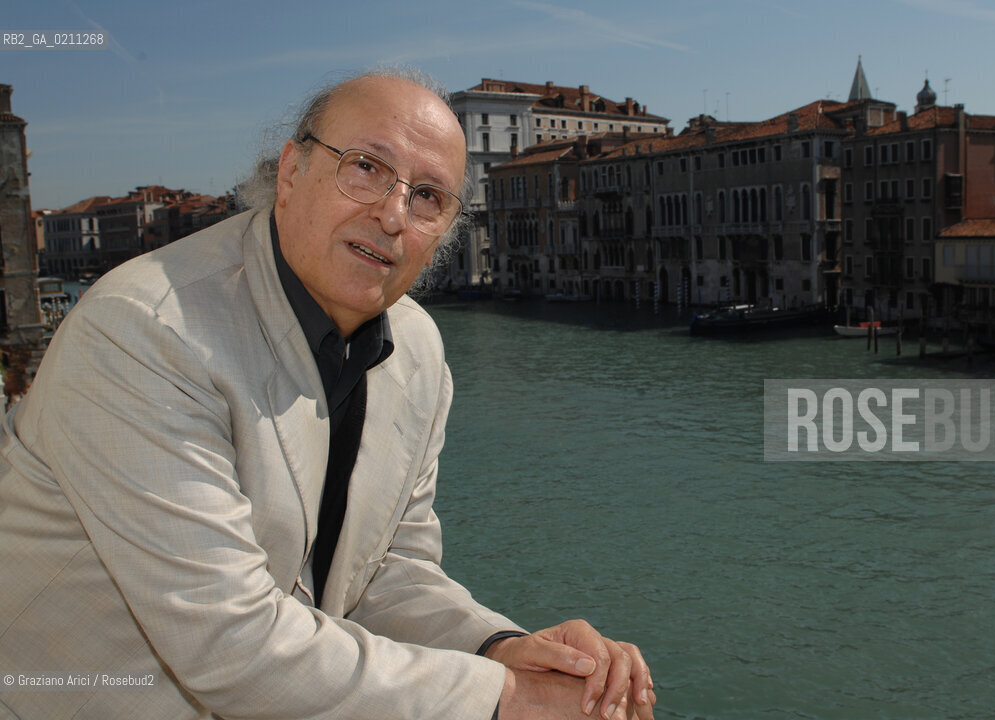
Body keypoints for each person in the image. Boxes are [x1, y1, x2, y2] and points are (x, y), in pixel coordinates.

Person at [0, 69, 656, 720]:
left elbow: (387, 574)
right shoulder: (146, 331)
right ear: (291, 173)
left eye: (428, 196)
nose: (393, 214)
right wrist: (505, 700)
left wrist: (506, 649)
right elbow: (228, 645)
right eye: (366, 167)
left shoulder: (419, 354)